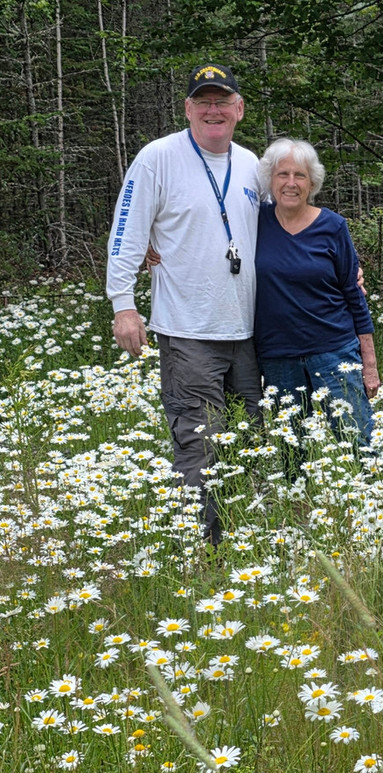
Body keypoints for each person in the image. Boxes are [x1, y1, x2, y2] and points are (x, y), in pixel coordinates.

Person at [106, 63, 262, 546]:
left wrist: (343, 265)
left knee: (251, 440)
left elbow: (286, 229)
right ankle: (202, 553)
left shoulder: (253, 164)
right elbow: (127, 232)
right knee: (200, 445)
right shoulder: (158, 158)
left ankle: (252, 543)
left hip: (250, 331)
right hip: (189, 333)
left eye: (222, 101)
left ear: (239, 109)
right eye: (203, 102)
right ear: (188, 109)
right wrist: (123, 305)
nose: (213, 110)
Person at [254, 138, 380, 451]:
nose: (291, 183)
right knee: (290, 453)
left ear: (313, 182)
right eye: (283, 174)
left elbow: (354, 294)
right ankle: (297, 502)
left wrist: (370, 364)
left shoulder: (333, 226)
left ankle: (377, 499)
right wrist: (153, 244)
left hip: (334, 351)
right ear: (270, 180)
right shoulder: (254, 222)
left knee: (360, 443)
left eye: (300, 176)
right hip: (277, 356)